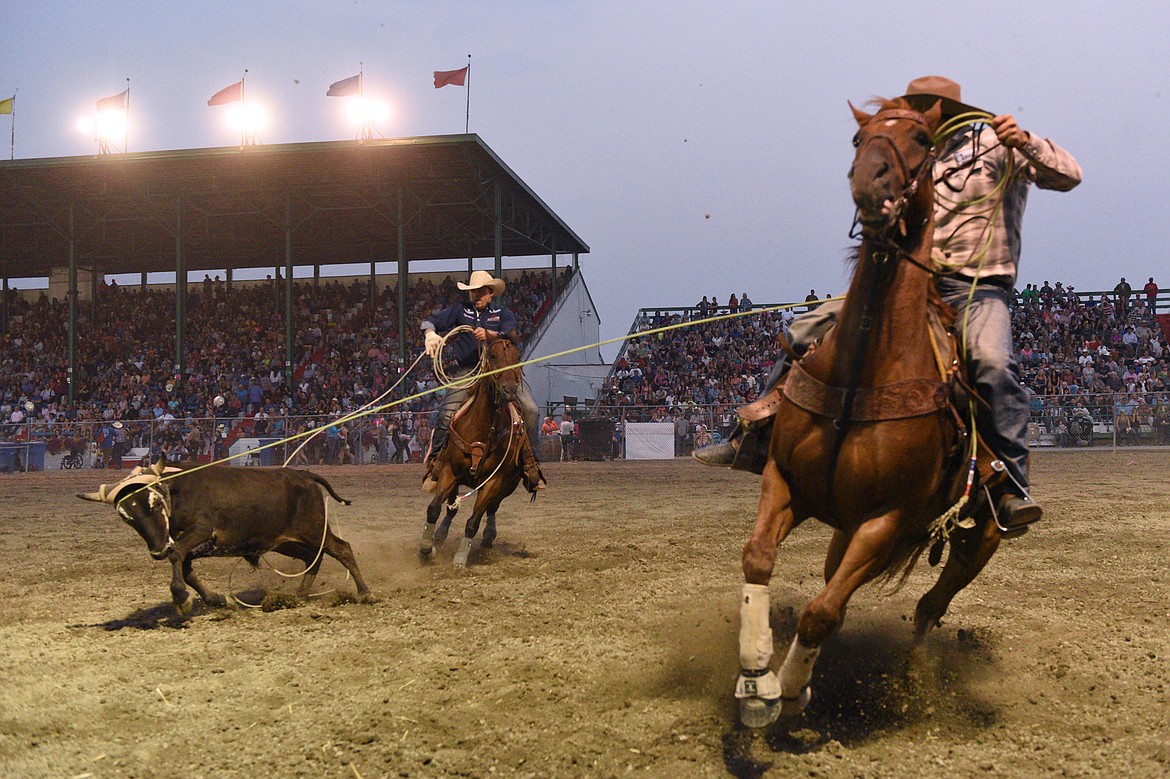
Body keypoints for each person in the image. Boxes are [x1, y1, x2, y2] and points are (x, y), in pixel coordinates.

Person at [695, 75, 1082, 531]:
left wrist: (1028, 141)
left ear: (950, 112)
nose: (925, 113)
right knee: (806, 329)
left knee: (991, 361)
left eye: (931, 106)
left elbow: (1069, 174)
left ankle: (1010, 488)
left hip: (978, 289)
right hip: (910, 282)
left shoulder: (999, 144)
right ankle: (752, 437)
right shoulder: (917, 159)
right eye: (918, 105)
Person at [420, 270, 544, 492]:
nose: (476, 295)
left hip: (501, 371)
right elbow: (432, 320)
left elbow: (513, 336)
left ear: (490, 293)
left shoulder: (501, 313)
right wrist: (430, 333)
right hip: (470, 370)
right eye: (473, 291)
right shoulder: (460, 310)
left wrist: (489, 335)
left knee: (531, 410)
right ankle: (436, 464)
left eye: (480, 291)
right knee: (446, 414)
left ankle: (531, 463)